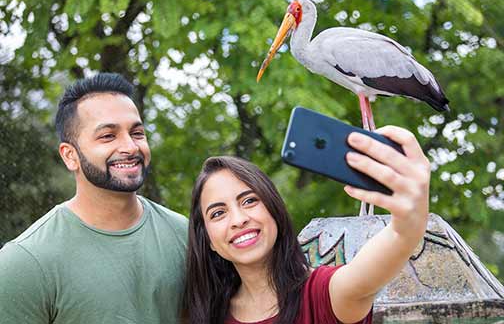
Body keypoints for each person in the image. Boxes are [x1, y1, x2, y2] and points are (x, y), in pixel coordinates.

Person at [184, 126, 431, 324]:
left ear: (274, 211)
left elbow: (395, 241)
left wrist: (409, 221)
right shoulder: (207, 314)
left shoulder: (322, 295)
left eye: (249, 200)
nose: (238, 220)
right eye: (218, 213)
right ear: (208, 240)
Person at [0, 73, 188, 324]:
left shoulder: (184, 234)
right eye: (108, 136)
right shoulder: (25, 262)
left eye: (137, 133)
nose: (131, 147)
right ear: (70, 156)